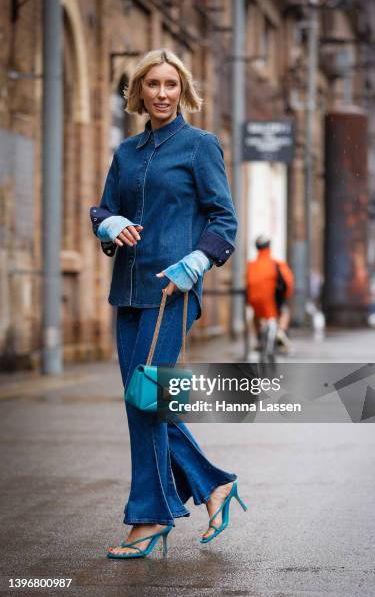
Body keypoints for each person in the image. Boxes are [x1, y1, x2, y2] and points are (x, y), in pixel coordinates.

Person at [89, 49, 247, 559]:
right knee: (146, 400)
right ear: (139, 91)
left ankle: (150, 517)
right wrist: (109, 225)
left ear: (183, 91)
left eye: (170, 85)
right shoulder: (127, 152)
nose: (161, 93)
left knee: (145, 397)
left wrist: (194, 264)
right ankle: (213, 484)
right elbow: (105, 208)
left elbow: (223, 220)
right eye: (152, 84)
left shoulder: (201, 146)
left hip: (171, 290)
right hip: (128, 290)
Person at [246, 235, 294, 358]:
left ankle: (258, 339)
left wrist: (250, 301)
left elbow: (247, 283)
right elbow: (288, 282)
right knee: (284, 311)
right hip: (272, 301)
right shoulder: (277, 263)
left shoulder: (251, 265)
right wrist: (286, 296)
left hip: (255, 301)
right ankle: (280, 331)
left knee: (255, 317)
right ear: (269, 246)